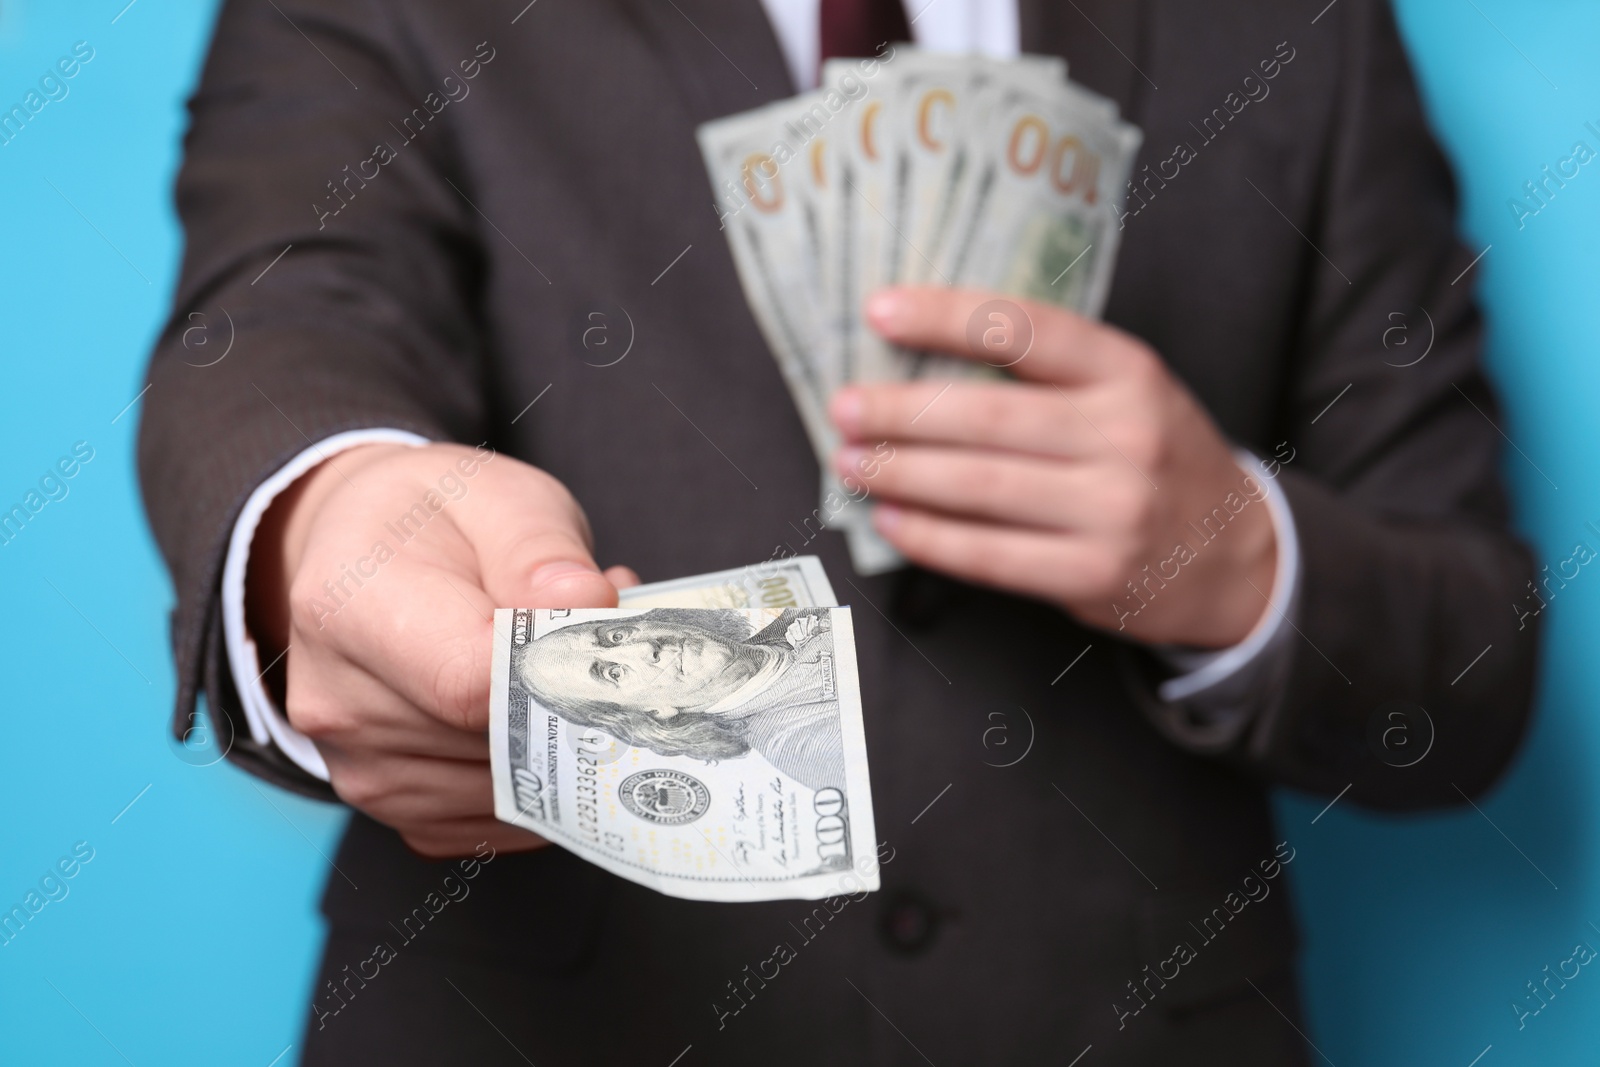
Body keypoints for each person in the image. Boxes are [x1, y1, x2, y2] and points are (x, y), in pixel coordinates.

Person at [137, 0, 1538, 1062]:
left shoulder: (1309, 28)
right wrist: (326, 525)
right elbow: (275, 316)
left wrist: (1238, 552)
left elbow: (1477, 658)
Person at [519, 607, 847, 790]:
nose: (645, 648)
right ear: (654, 713)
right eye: (614, 673)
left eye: (615, 636)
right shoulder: (802, 743)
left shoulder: (796, 613)